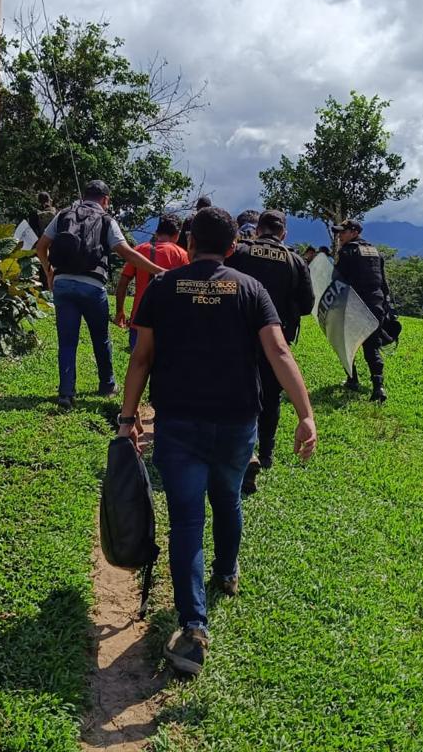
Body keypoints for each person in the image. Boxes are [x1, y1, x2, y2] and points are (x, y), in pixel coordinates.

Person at [120, 206, 317, 677]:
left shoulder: (165, 287)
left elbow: (141, 358)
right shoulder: (251, 289)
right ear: (232, 248)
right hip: (236, 422)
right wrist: (305, 414)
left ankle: (193, 628)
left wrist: (128, 418)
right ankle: (227, 574)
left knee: (187, 520)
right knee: (227, 498)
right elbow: (279, 351)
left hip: (179, 421)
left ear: (188, 245)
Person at [36, 180, 165, 410]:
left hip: (63, 283)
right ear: (105, 200)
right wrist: (159, 271)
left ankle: (66, 393)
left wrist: (49, 271)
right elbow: (126, 252)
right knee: (101, 338)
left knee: (67, 342)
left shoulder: (64, 214)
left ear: (85, 196)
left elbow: (41, 246)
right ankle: (107, 385)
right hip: (92, 285)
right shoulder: (107, 220)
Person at [225, 209, 315, 494]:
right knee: (271, 395)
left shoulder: (240, 252)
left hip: (238, 335)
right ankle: (265, 453)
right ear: (284, 234)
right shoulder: (295, 260)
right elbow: (307, 304)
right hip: (277, 338)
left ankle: (237, 450)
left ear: (258, 229)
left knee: (236, 390)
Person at [332, 219, 393, 402]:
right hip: (376, 304)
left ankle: (352, 380)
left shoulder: (347, 251)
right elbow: (383, 282)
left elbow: (337, 279)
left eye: (343, 232)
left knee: (346, 343)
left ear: (354, 232)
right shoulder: (375, 251)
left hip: (354, 304)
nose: (339, 236)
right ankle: (378, 386)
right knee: (372, 346)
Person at [114, 214, 190, 350]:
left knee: (138, 365)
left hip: (139, 320)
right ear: (177, 234)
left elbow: (123, 283)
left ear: (157, 232)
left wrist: (120, 310)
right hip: (169, 322)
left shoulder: (139, 251)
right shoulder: (182, 255)